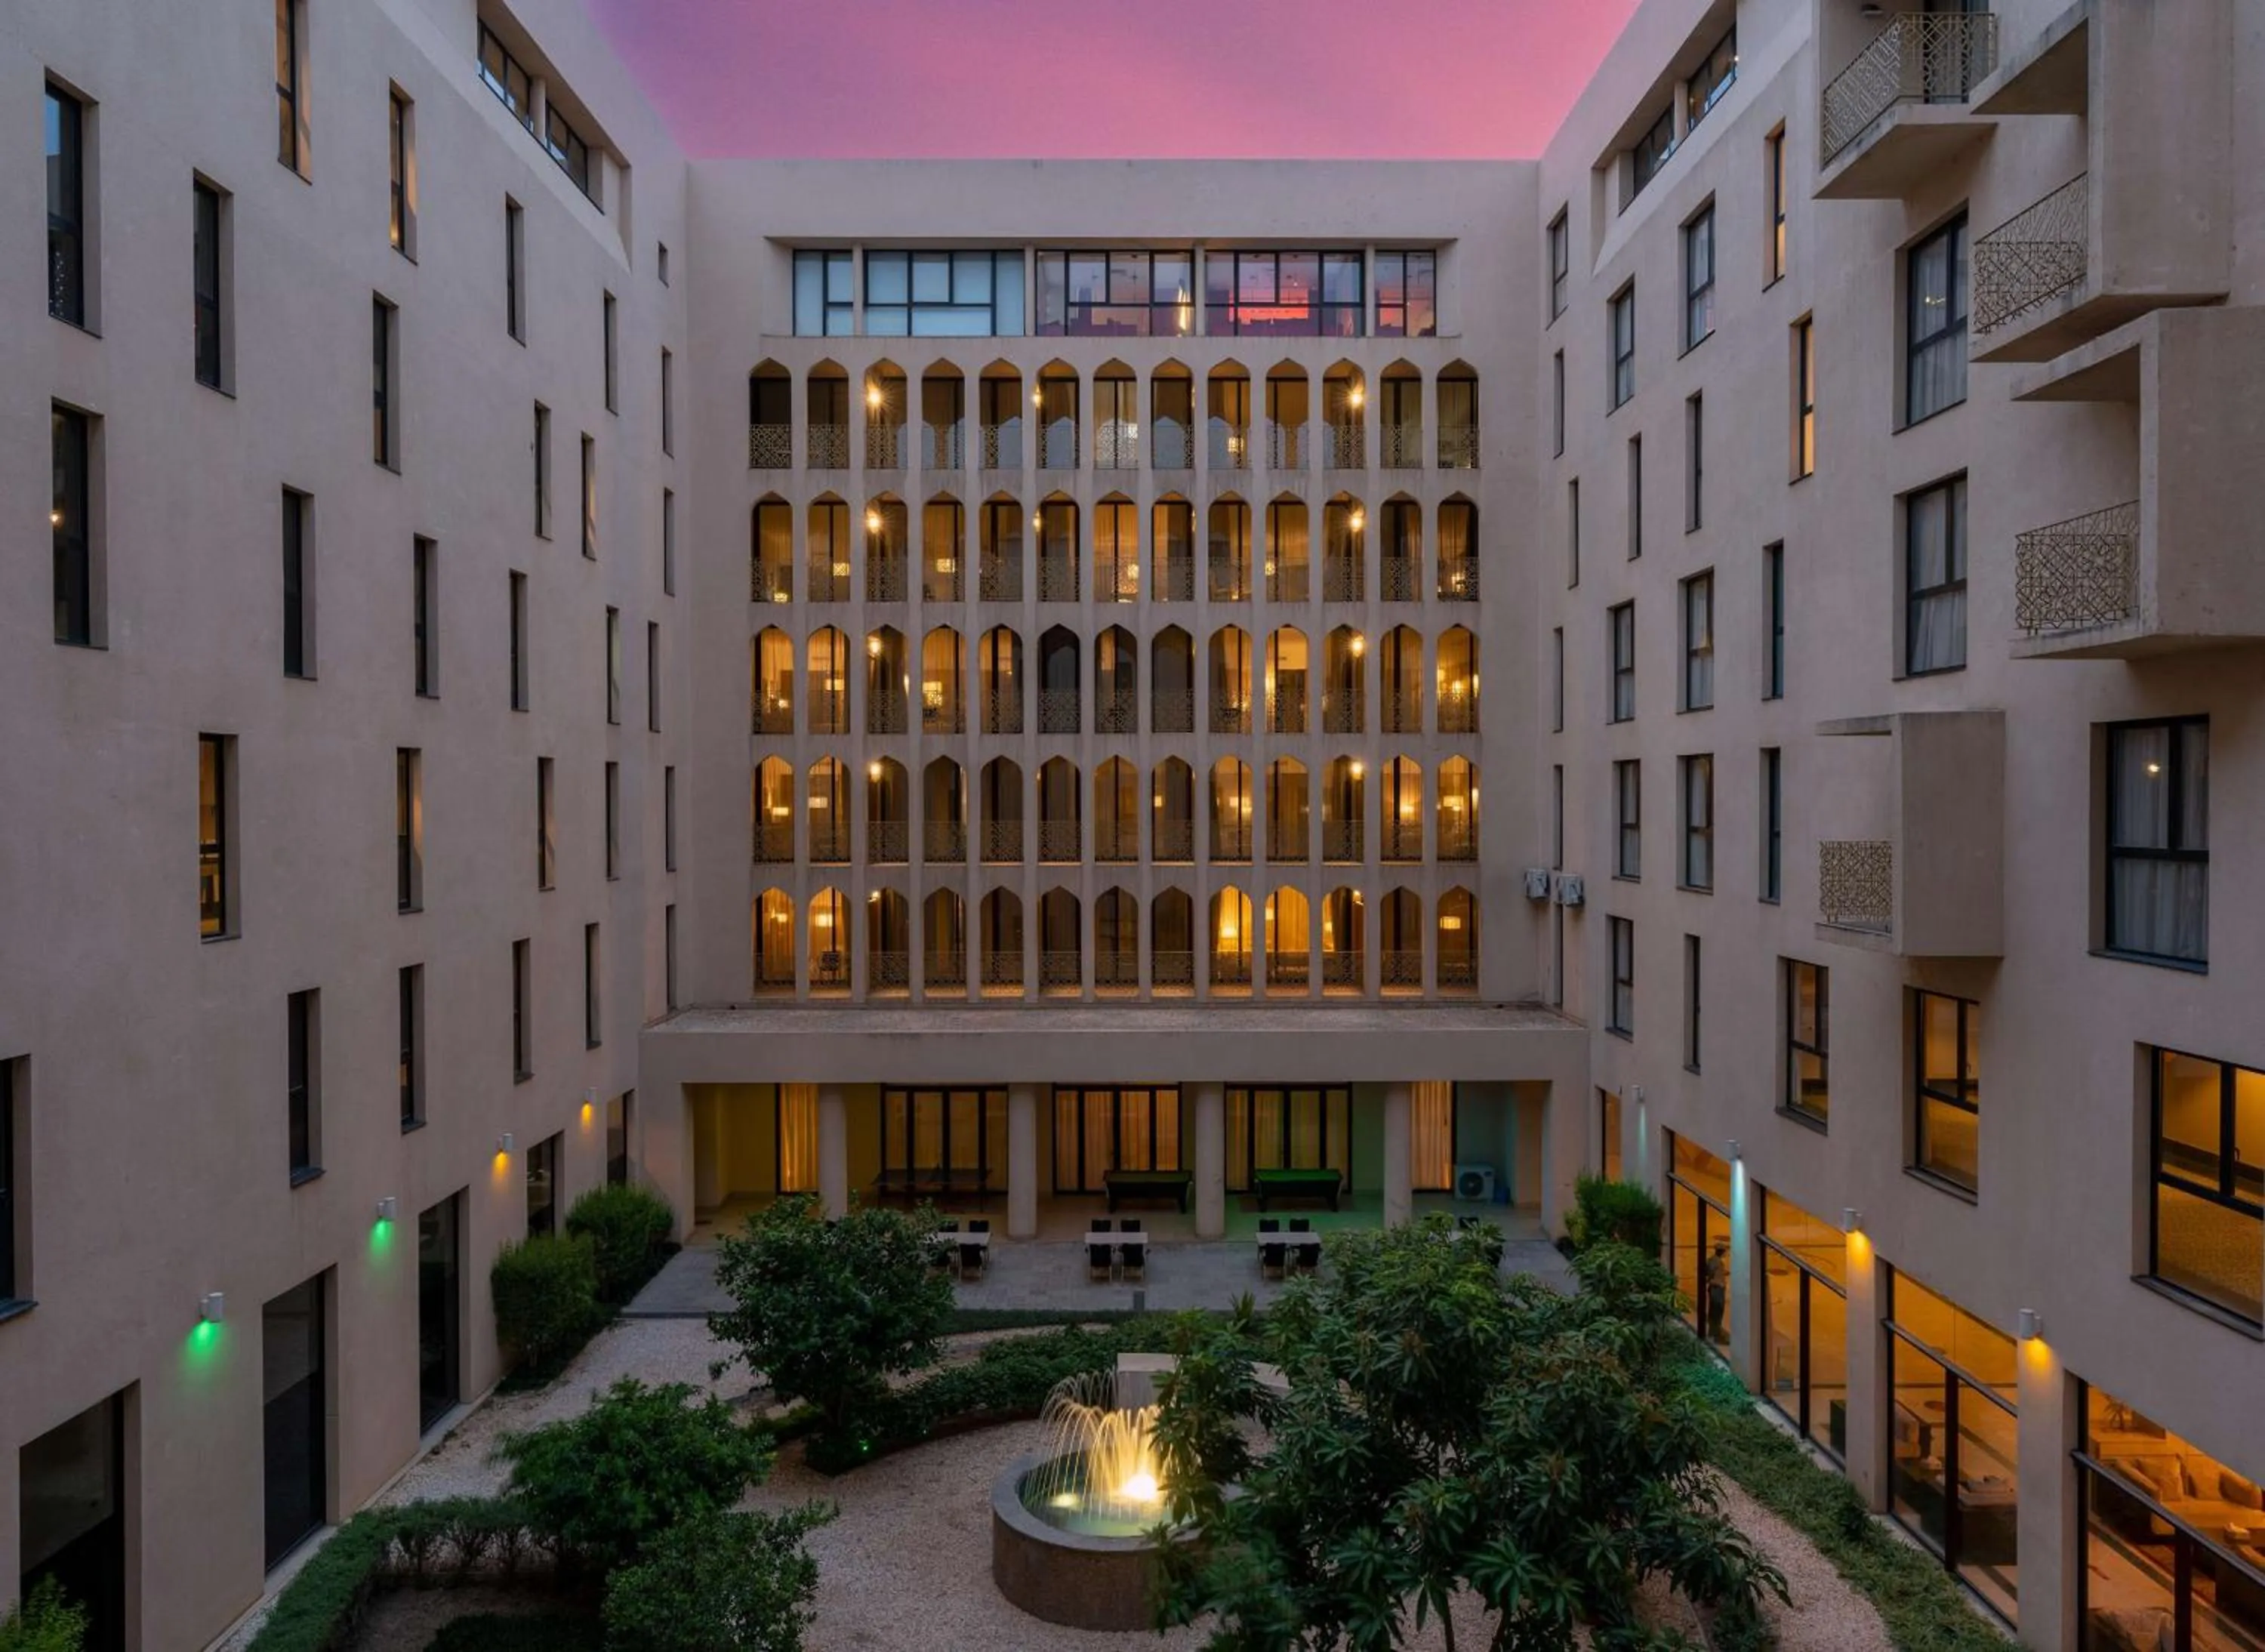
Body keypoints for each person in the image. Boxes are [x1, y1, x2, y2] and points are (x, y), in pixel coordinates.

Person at [1703, 1238, 1730, 1344]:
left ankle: (1713, 1332)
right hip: (1717, 1288)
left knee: (1714, 1311)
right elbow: (1712, 1273)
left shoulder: (1711, 1260)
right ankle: (1716, 1334)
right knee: (1717, 1311)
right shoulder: (1717, 1262)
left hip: (1714, 1287)